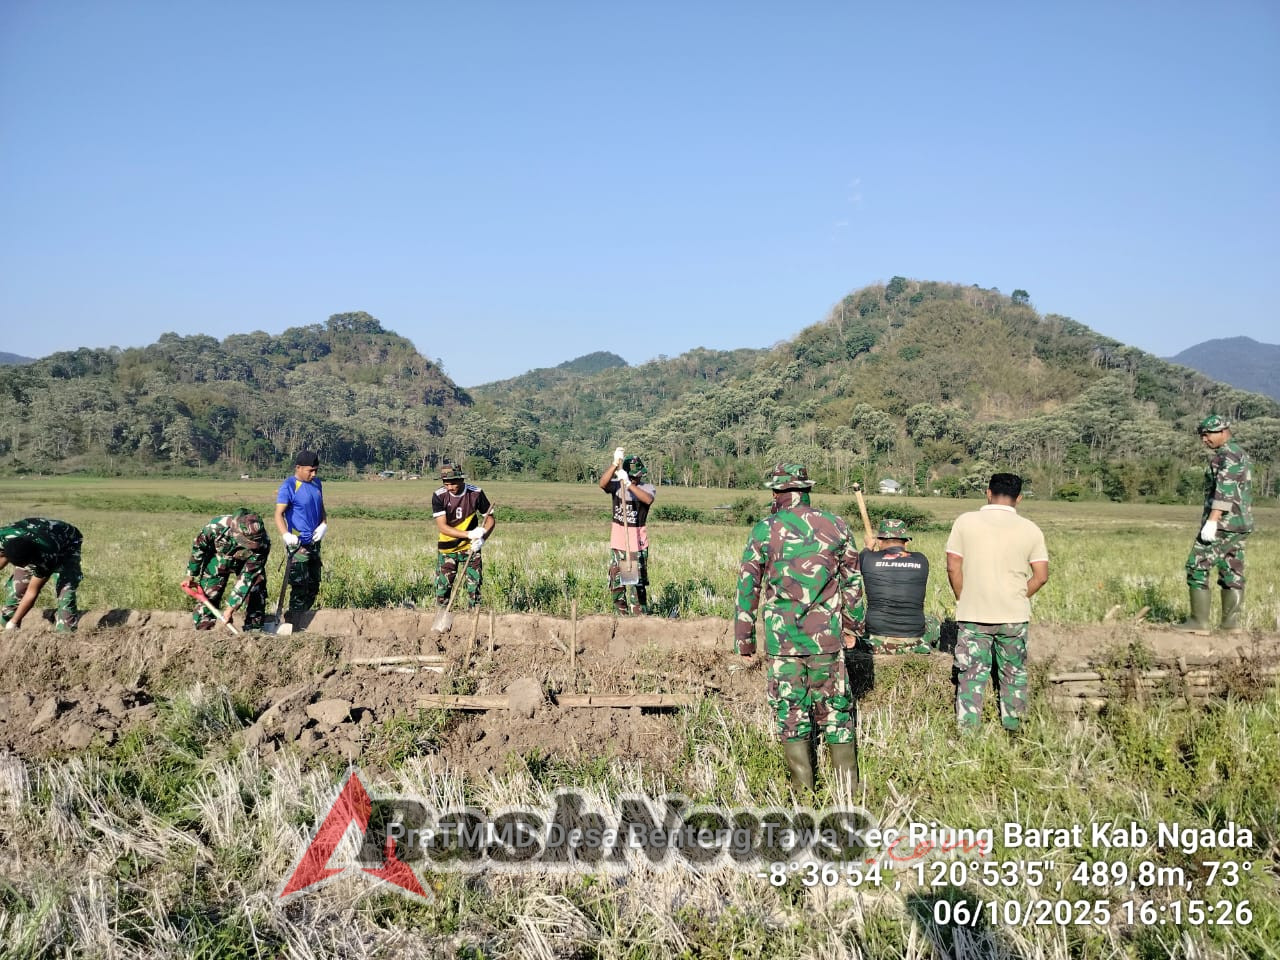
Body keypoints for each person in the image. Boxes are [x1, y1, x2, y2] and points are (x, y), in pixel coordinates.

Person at [734, 463, 864, 792]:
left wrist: (744, 640)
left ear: (779, 493)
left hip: (783, 642)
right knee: (836, 710)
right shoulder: (836, 525)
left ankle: (802, 791)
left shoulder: (764, 530)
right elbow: (853, 582)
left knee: (790, 711)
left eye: (774, 493)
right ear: (806, 490)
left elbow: (748, 586)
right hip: (827, 639)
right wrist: (853, 628)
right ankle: (847, 789)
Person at [944, 473, 1049, 733]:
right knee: (1014, 674)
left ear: (988, 493)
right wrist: (1019, 596)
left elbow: (953, 566)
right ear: (1019, 498)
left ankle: (968, 733)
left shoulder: (965, 522)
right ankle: (1014, 729)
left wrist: (963, 596)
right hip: (1014, 616)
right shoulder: (1031, 529)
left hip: (974, 614)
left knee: (971, 675)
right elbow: (1041, 576)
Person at [1175, 415, 1253, 635]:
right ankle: (1230, 625)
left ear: (1223, 432)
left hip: (1223, 524)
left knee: (1197, 565)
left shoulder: (1228, 455)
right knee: (1232, 569)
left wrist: (1212, 521)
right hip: (1239, 523)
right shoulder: (1239, 453)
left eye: (1207, 434)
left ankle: (1198, 622)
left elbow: (1224, 491)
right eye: (1202, 435)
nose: (1204, 439)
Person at [182, 509, 271, 631]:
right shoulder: (216, 526)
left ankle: (253, 631)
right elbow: (199, 547)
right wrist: (191, 574)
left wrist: (230, 609)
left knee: (256, 587)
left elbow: (248, 577)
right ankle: (204, 631)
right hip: (218, 559)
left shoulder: (263, 544)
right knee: (209, 594)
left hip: (245, 563)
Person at [859, 518, 939, 654]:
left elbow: (857, 561)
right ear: (905, 542)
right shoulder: (921, 559)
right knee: (933, 621)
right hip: (913, 639)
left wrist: (868, 546)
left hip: (876, 639)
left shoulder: (868, 558)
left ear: (879, 541)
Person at [0, 518, 83, 632]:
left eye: (26, 564)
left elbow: (32, 591)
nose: (25, 567)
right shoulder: (3, 537)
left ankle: (65, 631)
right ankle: (8, 630)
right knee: (17, 590)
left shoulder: (47, 556)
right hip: (32, 537)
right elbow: (3, 555)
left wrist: (13, 622)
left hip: (67, 542)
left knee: (65, 590)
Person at [600, 449, 656, 615]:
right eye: (633, 476)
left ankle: (639, 616)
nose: (636, 478)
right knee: (617, 582)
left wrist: (629, 484)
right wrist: (614, 464)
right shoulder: (617, 486)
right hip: (619, 543)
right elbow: (602, 484)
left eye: (638, 475)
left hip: (636, 545)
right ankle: (621, 616)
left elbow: (648, 500)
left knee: (636, 583)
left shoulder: (647, 488)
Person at [432, 463, 495, 608]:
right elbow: (442, 527)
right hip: (447, 548)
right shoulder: (439, 496)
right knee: (443, 587)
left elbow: (490, 520)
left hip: (471, 547)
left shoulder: (476, 493)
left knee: (475, 586)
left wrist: (482, 539)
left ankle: (474, 614)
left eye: (453, 483)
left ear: (461, 479)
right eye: (446, 483)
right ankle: (442, 614)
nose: (449, 487)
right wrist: (469, 534)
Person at [275, 449, 328, 614]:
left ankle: (304, 617)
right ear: (298, 468)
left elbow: (321, 507)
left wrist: (324, 524)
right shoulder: (289, 486)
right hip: (298, 544)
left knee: (313, 584)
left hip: (314, 542)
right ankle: (294, 620)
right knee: (300, 586)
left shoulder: (317, 483)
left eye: (316, 470)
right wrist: (286, 535)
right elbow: (278, 514)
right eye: (310, 471)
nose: (314, 474)